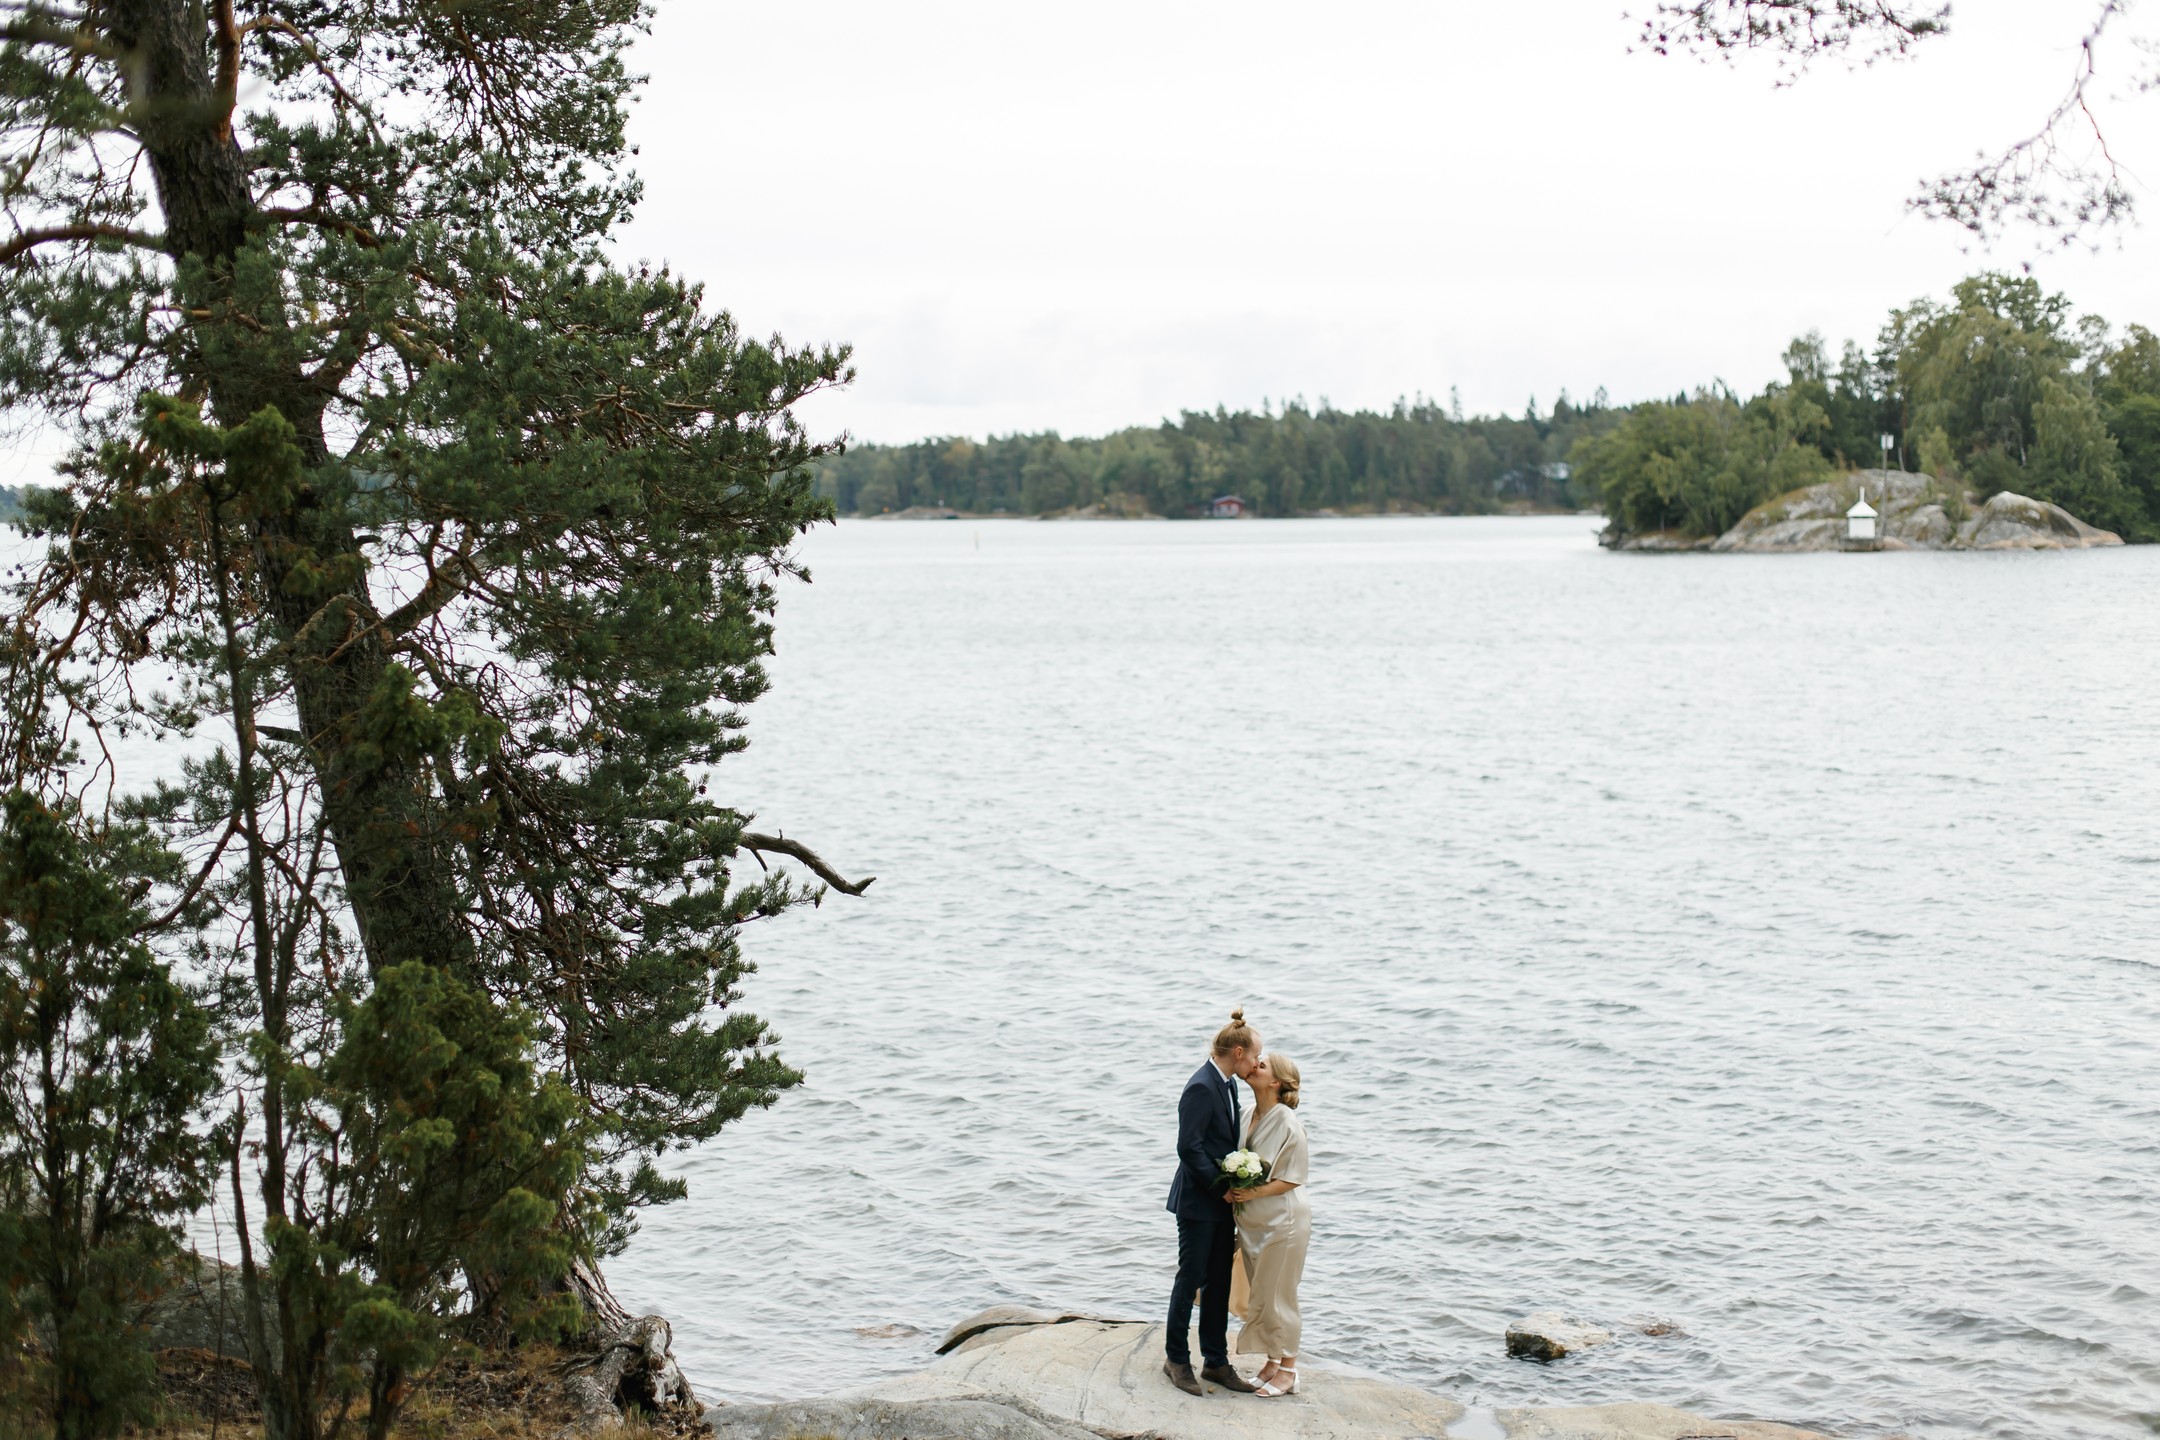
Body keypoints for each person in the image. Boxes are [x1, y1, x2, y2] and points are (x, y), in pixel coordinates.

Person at [1162, 1008, 1262, 1397]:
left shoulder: (1229, 1083)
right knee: (1190, 1281)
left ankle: (1216, 1362)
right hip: (1198, 1202)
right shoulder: (1201, 1086)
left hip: (1221, 1202)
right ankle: (1176, 1360)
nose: (1257, 1063)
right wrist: (1221, 1186)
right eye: (1255, 1055)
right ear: (1238, 1052)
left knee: (1219, 1282)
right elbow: (1188, 1147)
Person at [1225, 1054, 1310, 1397]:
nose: (1253, 1066)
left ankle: (1290, 1370)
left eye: (1261, 1066)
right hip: (1254, 1221)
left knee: (1281, 1296)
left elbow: (1293, 1178)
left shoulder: (1288, 1123)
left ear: (1275, 1082)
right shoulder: (1247, 1114)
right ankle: (1273, 1362)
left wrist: (1251, 1191)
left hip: (1283, 1220)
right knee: (1262, 1294)